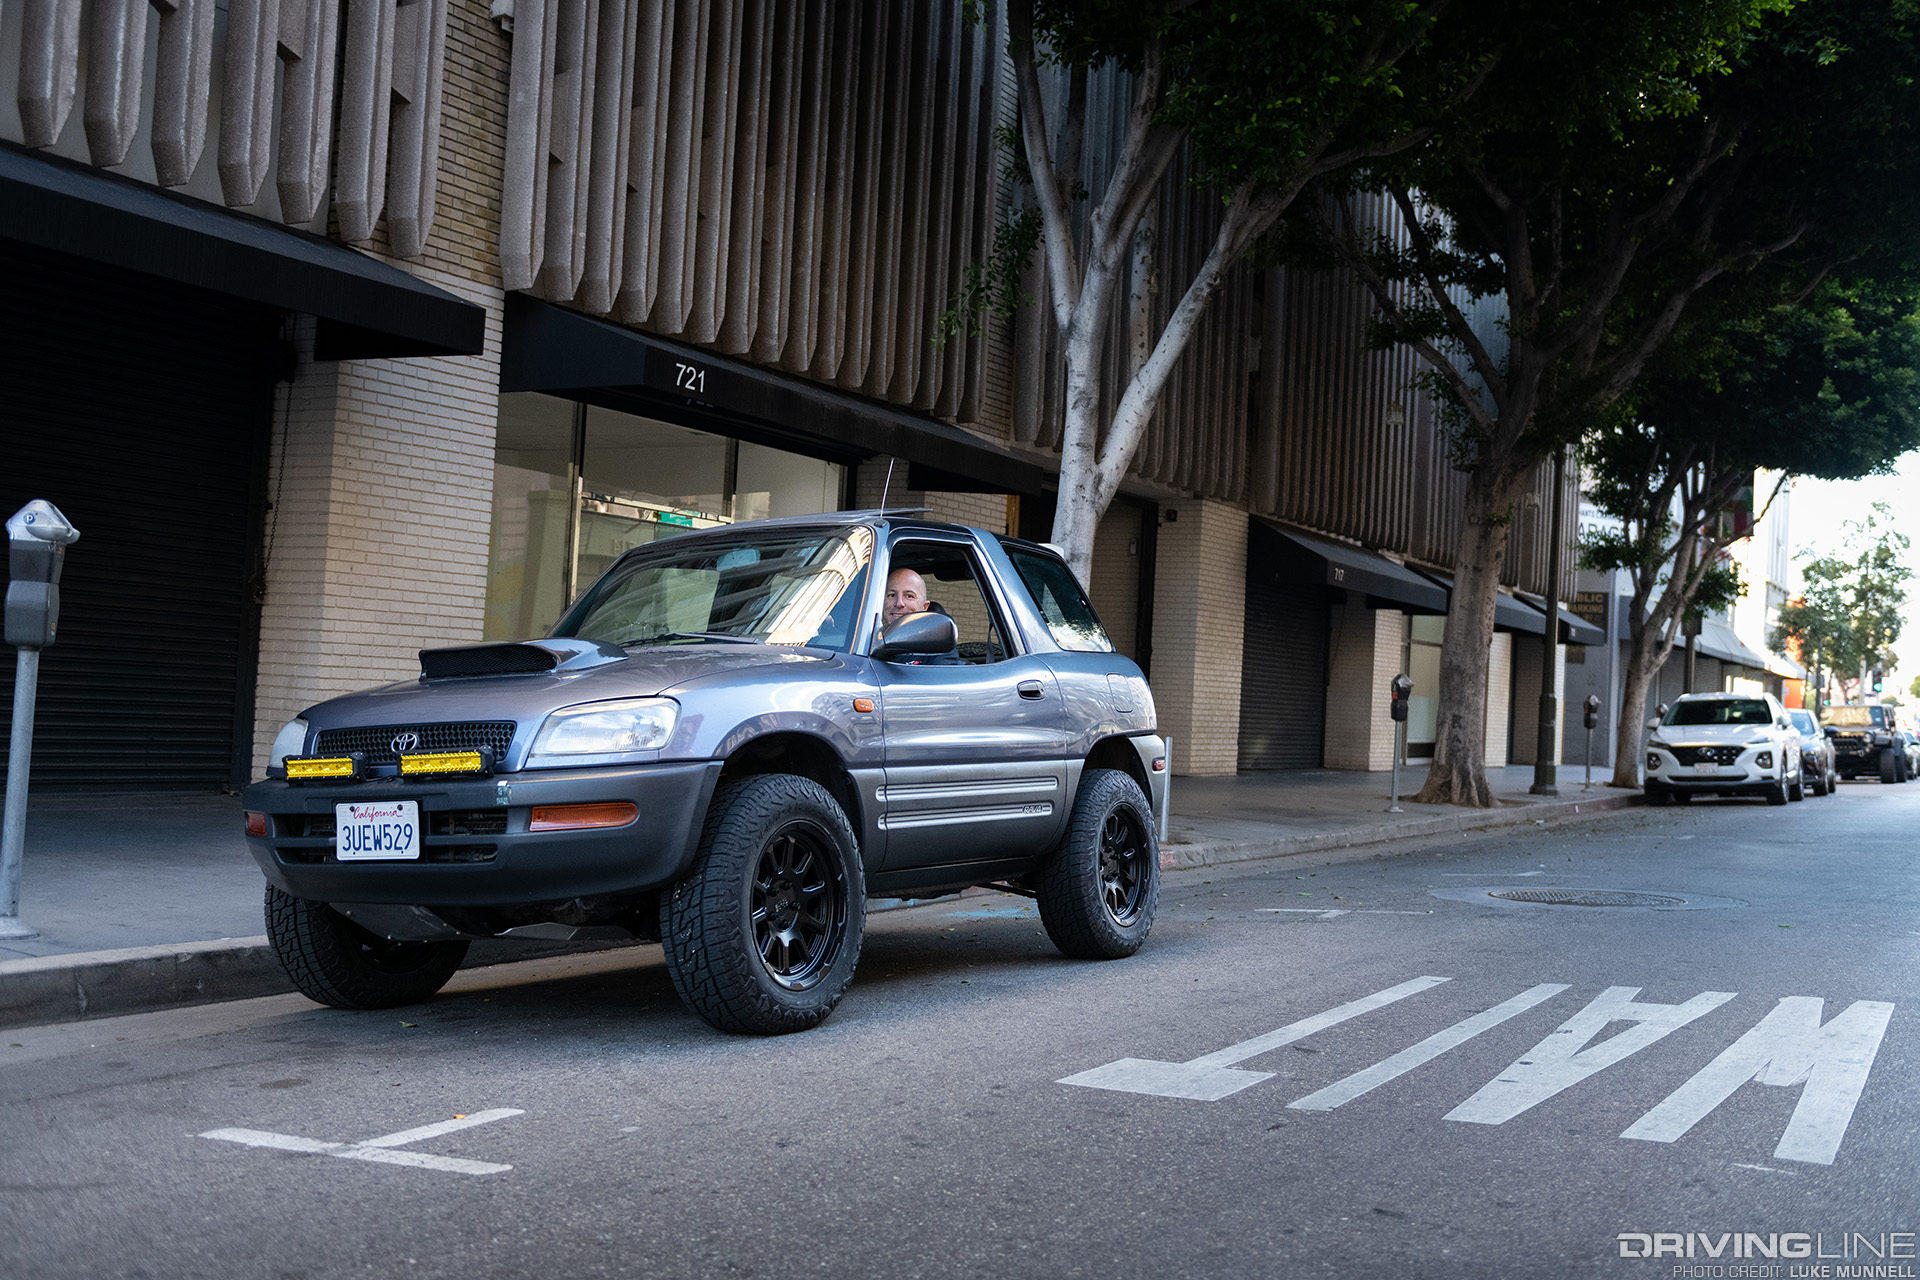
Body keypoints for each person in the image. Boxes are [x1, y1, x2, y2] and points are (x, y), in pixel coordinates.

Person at [880, 567, 963, 665]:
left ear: (925, 607)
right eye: (892, 595)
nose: (899, 603)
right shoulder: (867, 642)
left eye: (909, 596)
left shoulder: (938, 649)